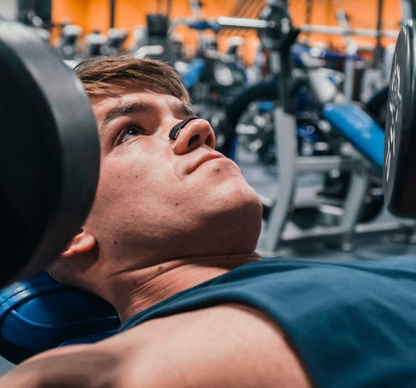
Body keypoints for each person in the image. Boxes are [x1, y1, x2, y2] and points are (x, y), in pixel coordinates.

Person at [1, 55, 416, 388]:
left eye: (182, 116)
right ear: (72, 229)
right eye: (129, 132)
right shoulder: (104, 370)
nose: (199, 128)